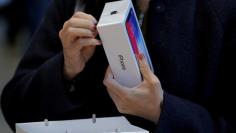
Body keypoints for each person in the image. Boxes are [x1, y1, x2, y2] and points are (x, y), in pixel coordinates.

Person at [1, 0, 236, 132]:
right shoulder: (76, 5)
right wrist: (65, 70)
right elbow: (15, 108)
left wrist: (163, 111)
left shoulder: (221, 11)